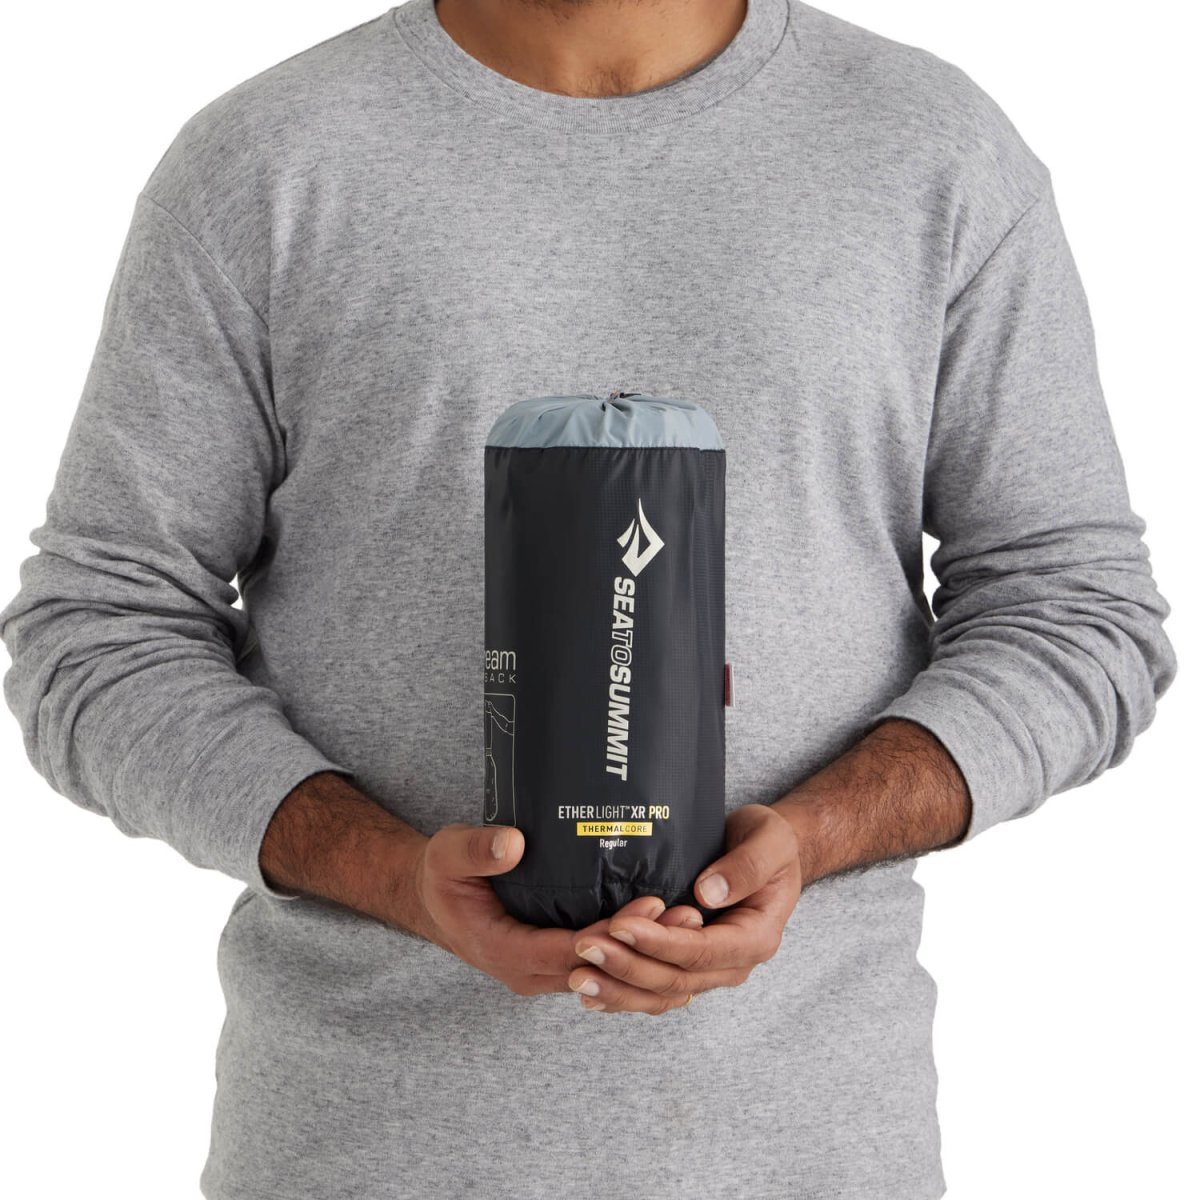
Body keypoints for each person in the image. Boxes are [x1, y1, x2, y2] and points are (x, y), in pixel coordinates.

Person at [0, 0, 1176, 1196]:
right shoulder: (266, 162)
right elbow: (98, 632)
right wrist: (389, 874)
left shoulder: (933, 151)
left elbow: (1076, 612)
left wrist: (817, 836)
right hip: (363, 1154)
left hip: (811, 1153)